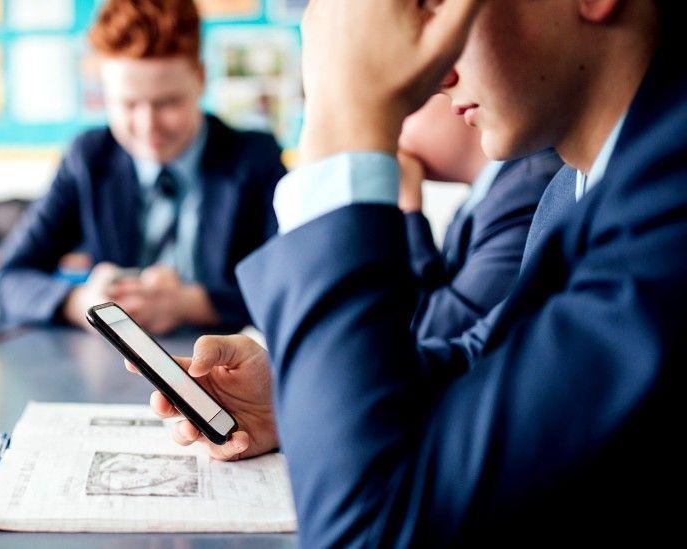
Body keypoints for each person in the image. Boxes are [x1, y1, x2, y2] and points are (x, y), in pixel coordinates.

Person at [134, 0, 686, 545]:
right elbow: (485, 361)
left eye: (443, 8)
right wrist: (293, 395)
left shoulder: (670, 209)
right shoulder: (575, 189)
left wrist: (347, 117)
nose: (438, 76)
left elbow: (370, 530)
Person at [0, 0, 286, 335]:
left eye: (168, 103)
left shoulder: (254, 158)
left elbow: (292, 288)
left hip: (224, 369)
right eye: (128, 104)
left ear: (201, 79)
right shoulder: (89, 158)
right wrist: (83, 304)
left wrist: (190, 304)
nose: (148, 126)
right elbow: (8, 278)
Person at [398, 94, 562, 341]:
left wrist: (407, 211)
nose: (392, 141)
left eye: (400, 109)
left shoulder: (528, 190)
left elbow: (430, 336)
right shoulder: (473, 208)